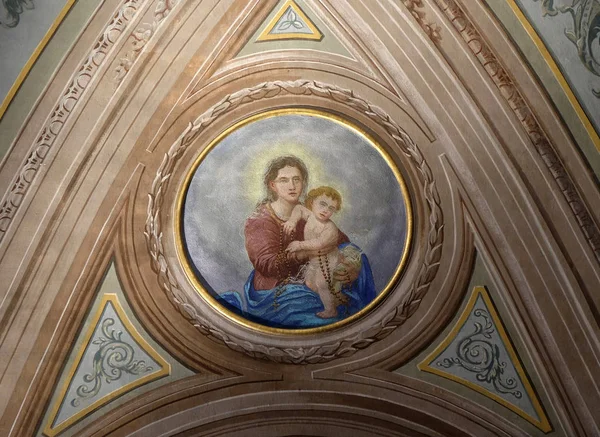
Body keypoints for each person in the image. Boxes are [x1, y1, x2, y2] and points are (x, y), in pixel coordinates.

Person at [220, 155, 376, 328]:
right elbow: (267, 264)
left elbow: (339, 240)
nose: (292, 186)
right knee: (321, 322)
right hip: (277, 289)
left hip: (313, 276)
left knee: (355, 255)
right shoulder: (260, 221)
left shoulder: (309, 212)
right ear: (273, 185)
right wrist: (304, 253)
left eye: (297, 180)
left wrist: (350, 267)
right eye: (284, 180)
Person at [284, 186, 363, 318]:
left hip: (329, 259)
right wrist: (292, 221)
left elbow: (319, 243)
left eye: (331, 208)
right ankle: (336, 297)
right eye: (323, 204)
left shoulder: (330, 228)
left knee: (322, 283)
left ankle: (331, 310)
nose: (325, 210)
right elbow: (298, 209)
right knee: (309, 283)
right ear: (312, 202)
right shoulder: (310, 215)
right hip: (314, 260)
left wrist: (299, 245)